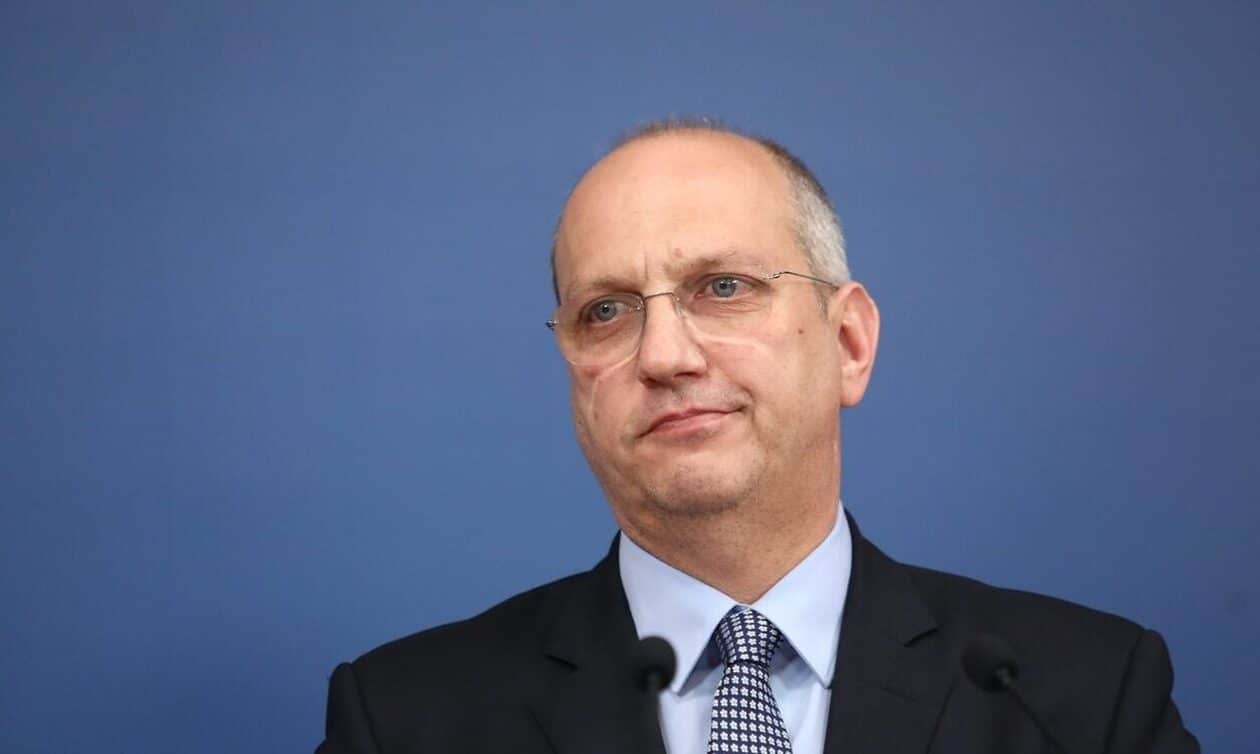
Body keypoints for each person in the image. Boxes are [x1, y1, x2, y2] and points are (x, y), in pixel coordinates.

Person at [316, 120, 1198, 753]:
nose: (664, 356)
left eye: (724, 288)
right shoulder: (404, 719)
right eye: (607, 311)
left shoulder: (1082, 698)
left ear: (849, 344)